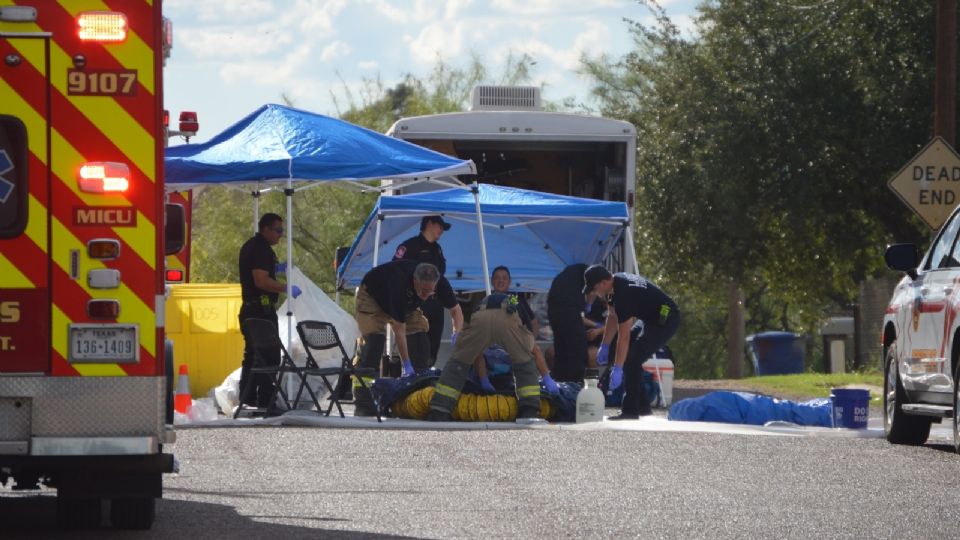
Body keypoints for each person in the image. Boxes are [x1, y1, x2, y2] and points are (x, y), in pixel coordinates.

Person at [353, 259, 462, 416]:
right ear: (414, 280)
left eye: (430, 292)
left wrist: (456, 333)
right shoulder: (398, 284)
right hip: (372, 296)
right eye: (423, 290)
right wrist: (407, 364)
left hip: (406, 303)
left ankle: (415, 398)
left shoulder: (440, 283)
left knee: (419, 342)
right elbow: (399, 330)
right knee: (373, 345)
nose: (425, 296)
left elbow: (456, 311)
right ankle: (363, 403)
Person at [426, 291, 544, 424]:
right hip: (507, 318)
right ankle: (529, 410)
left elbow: (477, 354)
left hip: (481, 314)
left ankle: (439, 409)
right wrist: (547, 377)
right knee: (524, 363)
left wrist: (484, 380)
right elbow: (535, 350)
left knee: (458, 363)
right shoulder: (522, 310)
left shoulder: (502, 302)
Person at [585, 265, 680, 419]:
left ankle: (630, 410)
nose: (595, 293)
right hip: (649, 318)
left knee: (632, 359)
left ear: (603, 283)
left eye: (595, 289)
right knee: (629, 358)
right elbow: (612, 316)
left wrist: (618, 368)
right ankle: (643, 407)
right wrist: (605, 344)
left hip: (666, 318)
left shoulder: (623, 294)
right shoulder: (613, 284)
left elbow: (624, 337)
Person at [237, 213, 302, 411]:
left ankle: (247, 398)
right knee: (270, 355)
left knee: (254, 355)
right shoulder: (260, 249)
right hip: (260, 311)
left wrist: (277, 268)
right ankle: (266, 400)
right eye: (278, 230)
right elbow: (260, 280)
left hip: (250, 309)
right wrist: (285, 288)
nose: (280, 235)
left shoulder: (253, 246)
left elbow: (261, 272)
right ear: (265, 229)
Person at [472, 266, 558, 395]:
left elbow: (531, 323)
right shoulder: (484, 301)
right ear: (491, 281)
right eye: (497, 278)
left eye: (504, 278)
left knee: (534, 349)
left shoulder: (514, 300)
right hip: (489, 346)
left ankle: (547, 379)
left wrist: (528, 341)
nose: (501, 281)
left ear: (509, 281)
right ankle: (484, 381)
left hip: (512, 345)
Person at [393, 215, 455, 365]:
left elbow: (441, 274)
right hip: (417, 304)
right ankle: (413, 373)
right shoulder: (409, 246)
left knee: (433, 345)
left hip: (435, 302)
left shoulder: (437, 249)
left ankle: (427, 372)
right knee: (418, 343)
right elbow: (396, 270)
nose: (441, 231)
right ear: (429, 224)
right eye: (439, 226)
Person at [546, 263, 590, 383]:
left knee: (562, 351)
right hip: (569, 312)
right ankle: (575, 386)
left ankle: (562, 385)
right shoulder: (585, 274)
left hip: (556, 311)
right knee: (576, 352)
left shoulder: (566, 277)